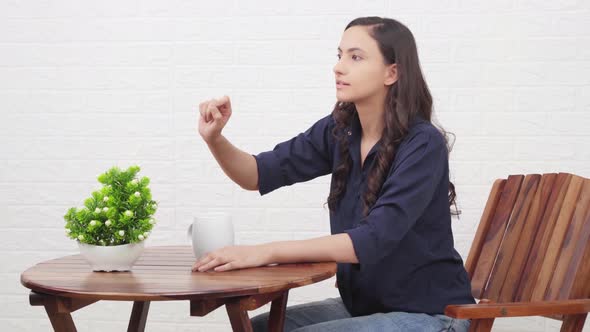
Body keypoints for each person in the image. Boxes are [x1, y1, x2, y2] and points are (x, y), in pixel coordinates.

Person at [194, 16, 475, 332]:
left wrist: (264, 252)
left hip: (432, 314)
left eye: (355, 57)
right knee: (257, 328)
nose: (339, 67)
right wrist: (215, 139)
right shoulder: (340, 131)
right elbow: (257, 173)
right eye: (339, 55)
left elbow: (370, 240)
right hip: (364, 308)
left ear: (391, 72)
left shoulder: (423, 144)